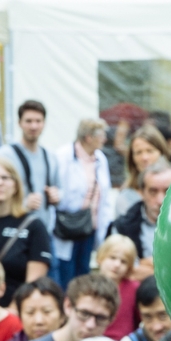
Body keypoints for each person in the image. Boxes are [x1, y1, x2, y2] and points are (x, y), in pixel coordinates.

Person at [0, 154, 52, 285]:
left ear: (16, 186)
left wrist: (11, 306)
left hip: (18, 303)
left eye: (5, 178)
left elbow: (33, 285)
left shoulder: (33, 226)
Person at [55, 119, 115, 282]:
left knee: (83, 270)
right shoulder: (64, 156)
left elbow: (105, 193)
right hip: (69, 226)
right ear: (89, 137)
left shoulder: (100, 159)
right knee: (66, 270)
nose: (104, 139)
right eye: (101, 135)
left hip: (90, 226)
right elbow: (60, 192)